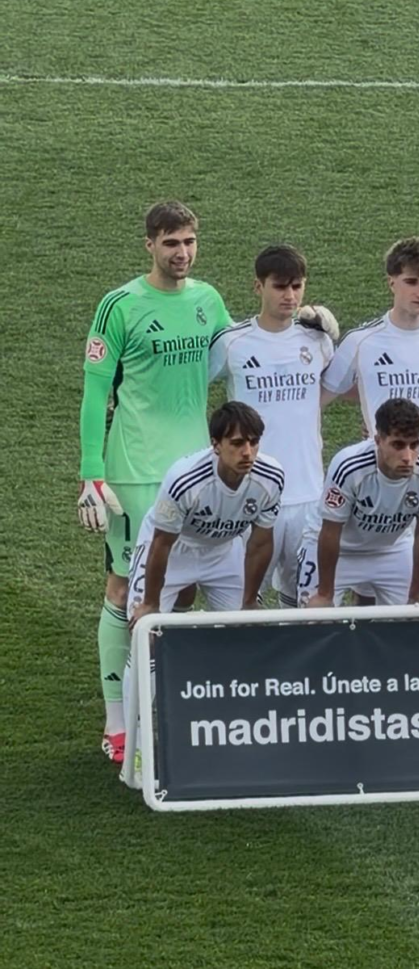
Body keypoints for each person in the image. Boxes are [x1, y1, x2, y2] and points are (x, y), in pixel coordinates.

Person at [77, 201, 233, 763]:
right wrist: (91, 474)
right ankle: (118, 722)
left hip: (196, 467)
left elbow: (235, 355)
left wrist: (300, 323)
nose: (182, 253)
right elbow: (97, 393)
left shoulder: (208, 300)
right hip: (136, 469)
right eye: (171, 243)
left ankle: (164, 696)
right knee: (125, 585)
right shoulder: (120, 306)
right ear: (150, 245)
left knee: (180, 583)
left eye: (189, 241)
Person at [321, 238, 419, 601]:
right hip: (378, 484)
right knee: (371, 585)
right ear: (391, 281)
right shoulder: (362, 342)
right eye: (412, 281)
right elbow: (319, 397)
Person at [208, 245, 336, 608]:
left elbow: (341, 385)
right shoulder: (232, 343)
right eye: (280, 286)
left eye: (297, 286)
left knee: (304, 601)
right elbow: (190, 385)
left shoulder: (317, 340)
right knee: (242, 601)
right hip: (251, 493)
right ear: (257, 287)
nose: (290, 296)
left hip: (309, 494)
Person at [126, 402, 284, 622]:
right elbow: (161, 543)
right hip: (174, 550)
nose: (247, 452)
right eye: (237, 443)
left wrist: (248, 602)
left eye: (254, 442)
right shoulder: (184, 481)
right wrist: (150, 604)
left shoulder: (271, 477)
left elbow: (260, 542)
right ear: (216, 445)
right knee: (144, 632)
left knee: (246, 629)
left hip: (223, 551)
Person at [301, 398, 419, 608]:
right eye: (398, 445)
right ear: (378, 440)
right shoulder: (349, 466)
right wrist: (325, 594)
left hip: (392, 549)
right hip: (339, 549)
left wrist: (415, 593)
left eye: (414, 445)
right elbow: (331, 531)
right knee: (312, 620)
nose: (408, 456)